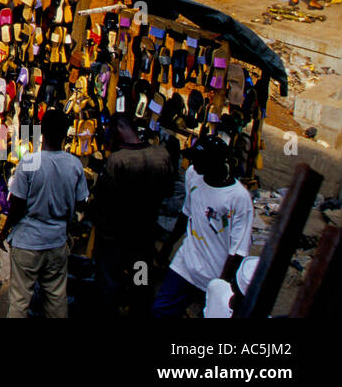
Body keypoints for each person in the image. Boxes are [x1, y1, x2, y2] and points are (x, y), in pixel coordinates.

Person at [0, 109, 88, 318]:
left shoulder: (29, 163)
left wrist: (5, 230)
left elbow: (17, 205)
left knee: (19, 301)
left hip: (28, 242)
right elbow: (82, 203)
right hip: (56, 242)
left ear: (42, 132)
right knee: (56, 300)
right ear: (65, 133)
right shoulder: (74, 165)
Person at [153, 137, 252, 317]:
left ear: (214, 163)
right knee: (161, 310)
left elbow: (238, 250)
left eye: (199, 160)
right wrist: (167, 247)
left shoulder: (239, 198)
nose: (193, 163)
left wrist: (219, 286)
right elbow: (186, 213)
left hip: (214, 274)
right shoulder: (193, 174)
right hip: (186, 263)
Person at [91, 114, 174, 316]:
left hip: (115, 239)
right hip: (144, 237)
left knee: (109, 284)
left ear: (118, 131)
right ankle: (139, 310)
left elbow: (101, 200)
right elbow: (169, 191)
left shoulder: (117, 161)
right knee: (141, 281)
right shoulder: (161, 155)